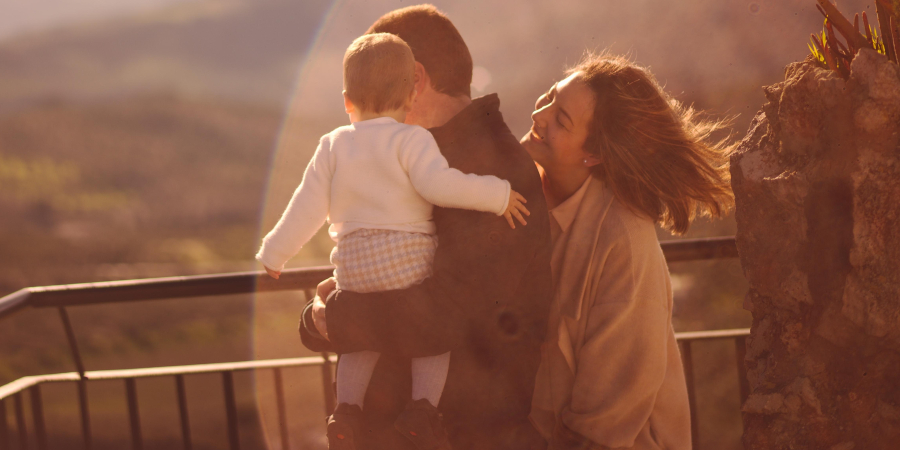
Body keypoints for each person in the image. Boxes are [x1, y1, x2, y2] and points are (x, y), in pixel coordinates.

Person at [256, 32, 530, 450]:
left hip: (354, 268)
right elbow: (441, 186)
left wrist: (275, 252)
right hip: (406, 262)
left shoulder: (331, 145)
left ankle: (346, 410)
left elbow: (306, 206)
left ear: (348, 100)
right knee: (435, 336)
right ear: (410, 92)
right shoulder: (413, 140)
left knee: (359, 338)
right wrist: (499, 194)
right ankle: (423, 408)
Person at [522, 52, 735, 450]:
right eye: (550, 96)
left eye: (562, 119)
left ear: (593, 155)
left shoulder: (622, 241)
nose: (540, 115)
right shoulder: (519, 191)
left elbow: (602, 424)